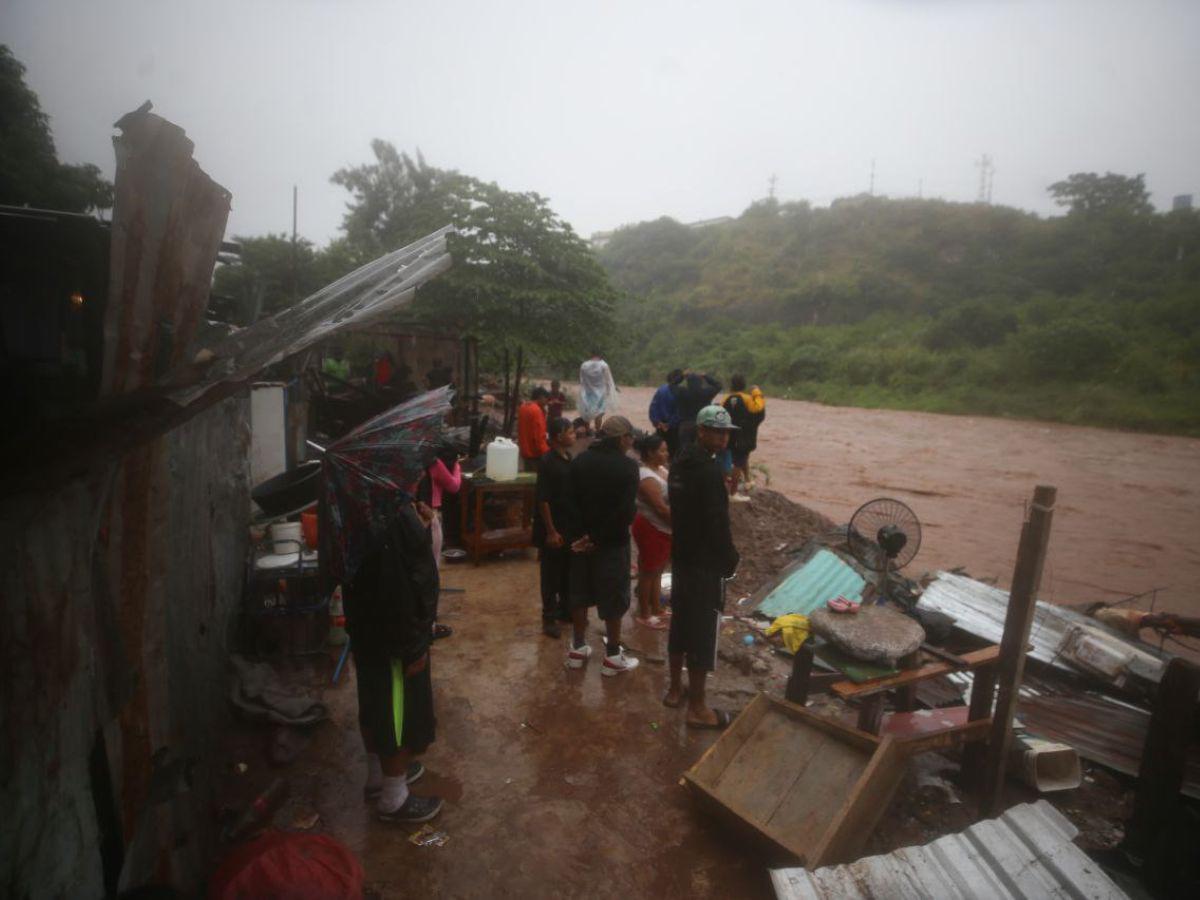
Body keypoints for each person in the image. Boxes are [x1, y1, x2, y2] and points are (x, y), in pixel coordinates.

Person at [342, 494, 444, 822]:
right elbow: (404, 583)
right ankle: (394, 797)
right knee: (396, 713)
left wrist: (422, 526)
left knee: (373, 700)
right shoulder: (392, 516)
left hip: (366, 627)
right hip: (393, 635)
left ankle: (379, 776)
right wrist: (413, 645)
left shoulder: (354, 505)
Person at [664, 405, 740, 729]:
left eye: (726, 432)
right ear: (701, 431)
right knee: (701, 631)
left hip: (682, 555)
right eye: (717, 431)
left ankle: (673, 690)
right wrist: (730, 560)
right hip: (704, 563)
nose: (723, 438)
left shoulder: (680, 462)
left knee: (680, 622)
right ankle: (698, 707)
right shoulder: (708, 473)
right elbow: (717, 525)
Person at [566, 415, 640, 675]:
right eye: (631, 437)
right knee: (614, 596)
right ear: (622, 438)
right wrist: (596, 537)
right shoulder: (628, 468)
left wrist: (583, 537)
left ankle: (577, 648)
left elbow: (569, 503)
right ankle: (612, 656)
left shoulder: (580, 461)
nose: (632, 443)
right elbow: (625, 513)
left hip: (580, 543)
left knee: (579, 593)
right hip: (611, 543)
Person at [533, 417, 577, 638]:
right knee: (550, 573)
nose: (574, 436)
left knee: (566, 569)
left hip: (567, 524)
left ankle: (564, 609)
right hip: (553, 527)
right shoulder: (547, 462)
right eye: (571, 432)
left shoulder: (568, 457)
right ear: (559, 436)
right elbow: (543, 499)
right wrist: (550, 530)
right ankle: (549, 617)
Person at [417, 439, 463, 639]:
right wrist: (458, 467)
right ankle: (430, 624)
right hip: (430, 515)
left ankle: (426, 621)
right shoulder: (434, 463)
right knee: (432, 570)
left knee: (423, 569)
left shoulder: (417, 461)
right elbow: (453, 486)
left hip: (418, 517)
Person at [631, 433, 672, 630]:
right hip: (651, 526)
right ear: (650, 453)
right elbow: (660, 508)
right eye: (662, 451)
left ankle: (656, 608)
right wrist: (681, 524)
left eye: (666, 450)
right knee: (648, 572)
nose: (666, 454)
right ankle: (643, 613)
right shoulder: (645, 476)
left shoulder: (660, 469)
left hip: (663, 528)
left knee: (658, 570)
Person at [722, 374, 766, 501]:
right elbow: (758, 408)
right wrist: (756, 392)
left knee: (742, 457)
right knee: (739, 461)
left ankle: (747, 480)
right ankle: (733, 493)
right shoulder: (747, 399)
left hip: (730, 434)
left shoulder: (726, 398)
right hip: (744, 435)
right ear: (744, 385)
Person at [672, 371, 722, 450]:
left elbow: (672, 385)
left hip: (686, 425)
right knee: (702, 450)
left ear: (687, 382)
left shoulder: (682, 392)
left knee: (685, 450)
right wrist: (706, 376)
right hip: (702, 426)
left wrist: (682, 376)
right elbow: (718, 386)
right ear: (701, 382)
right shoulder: (706, 392)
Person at [648, 369, 684, 458]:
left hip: (660, 426)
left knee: (659, 451)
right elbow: (679, 411)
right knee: (673, 452)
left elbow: (653, 407)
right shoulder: (680, 391)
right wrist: (669, 424)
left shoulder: (661, 389)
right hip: (673, 428)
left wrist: (656, 422)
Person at [578, 351, 618, 432]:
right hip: (600, 394)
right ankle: (598, 431)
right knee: (599, 414)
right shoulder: (604, 365)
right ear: (600, 356)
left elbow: (581, 380)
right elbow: (608, 380)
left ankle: (587, 431)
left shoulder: (584, 365)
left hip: (587, 393)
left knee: (587, 415)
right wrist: (610, 391)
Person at [517, 386, 550, 472]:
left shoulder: (523, 407)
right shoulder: (536, 410)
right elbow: (539, 436)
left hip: (524, 451)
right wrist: (547, 453)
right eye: (546, 399)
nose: (547, 403)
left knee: (528, 478)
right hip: (535, 454)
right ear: (541, 397)